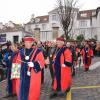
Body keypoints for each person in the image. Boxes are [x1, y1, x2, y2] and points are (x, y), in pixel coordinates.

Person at [19, 35, 45, 100]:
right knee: (22, 90)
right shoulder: (21, 51)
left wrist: (34, 64)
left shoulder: (38, 51)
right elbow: (17, 62)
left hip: (32, 75)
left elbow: (42, 62)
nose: (27, 44)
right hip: (23, 75)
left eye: (29, 42)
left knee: (32, 92)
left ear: (32, 43)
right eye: (26, 42)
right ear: (24, 43)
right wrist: (15, 75)